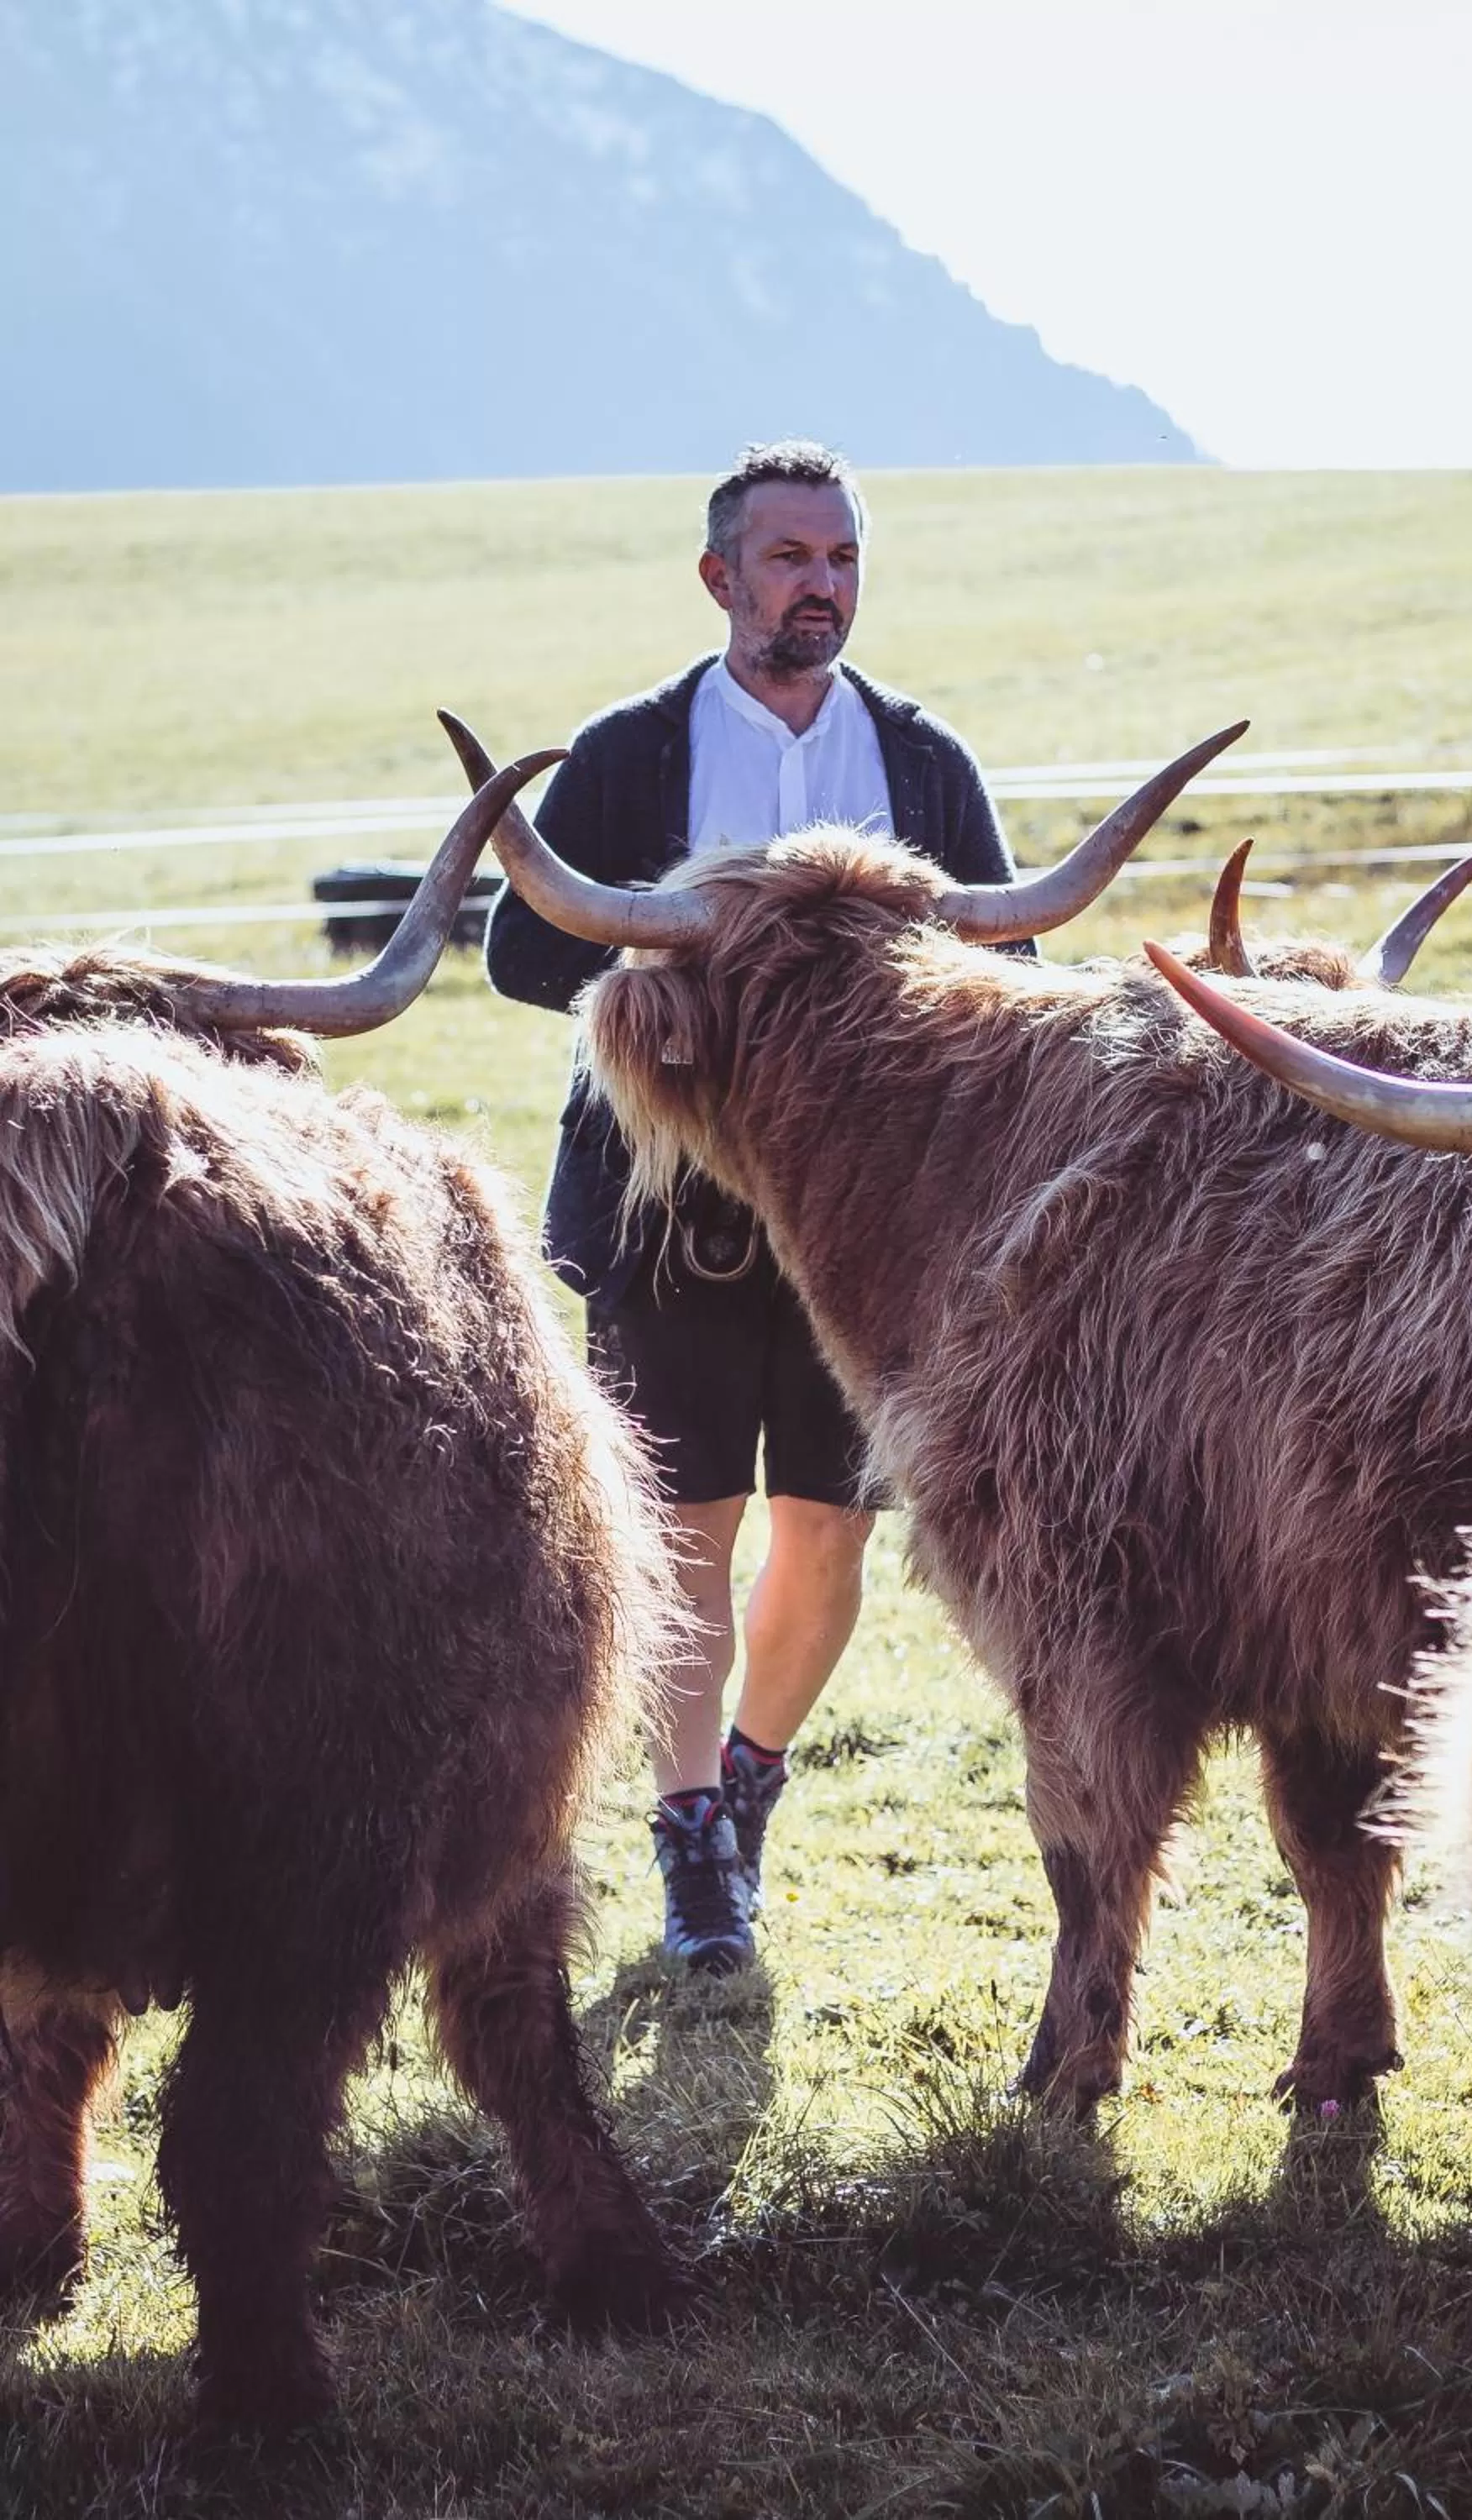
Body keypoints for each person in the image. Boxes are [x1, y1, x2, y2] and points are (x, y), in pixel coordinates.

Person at [485, 438, 1028, 1972]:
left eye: (842, 559)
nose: (821, 586)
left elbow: (1014, 968)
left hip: (867, 1220)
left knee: (830, 1535)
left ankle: (749, 1778)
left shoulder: (920, 762)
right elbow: (525, 956)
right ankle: (688, 1840)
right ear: (720, 576)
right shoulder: (630, 753)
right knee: (683, 1533)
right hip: (671, 1208)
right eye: (790, 558)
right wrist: (668, 966)